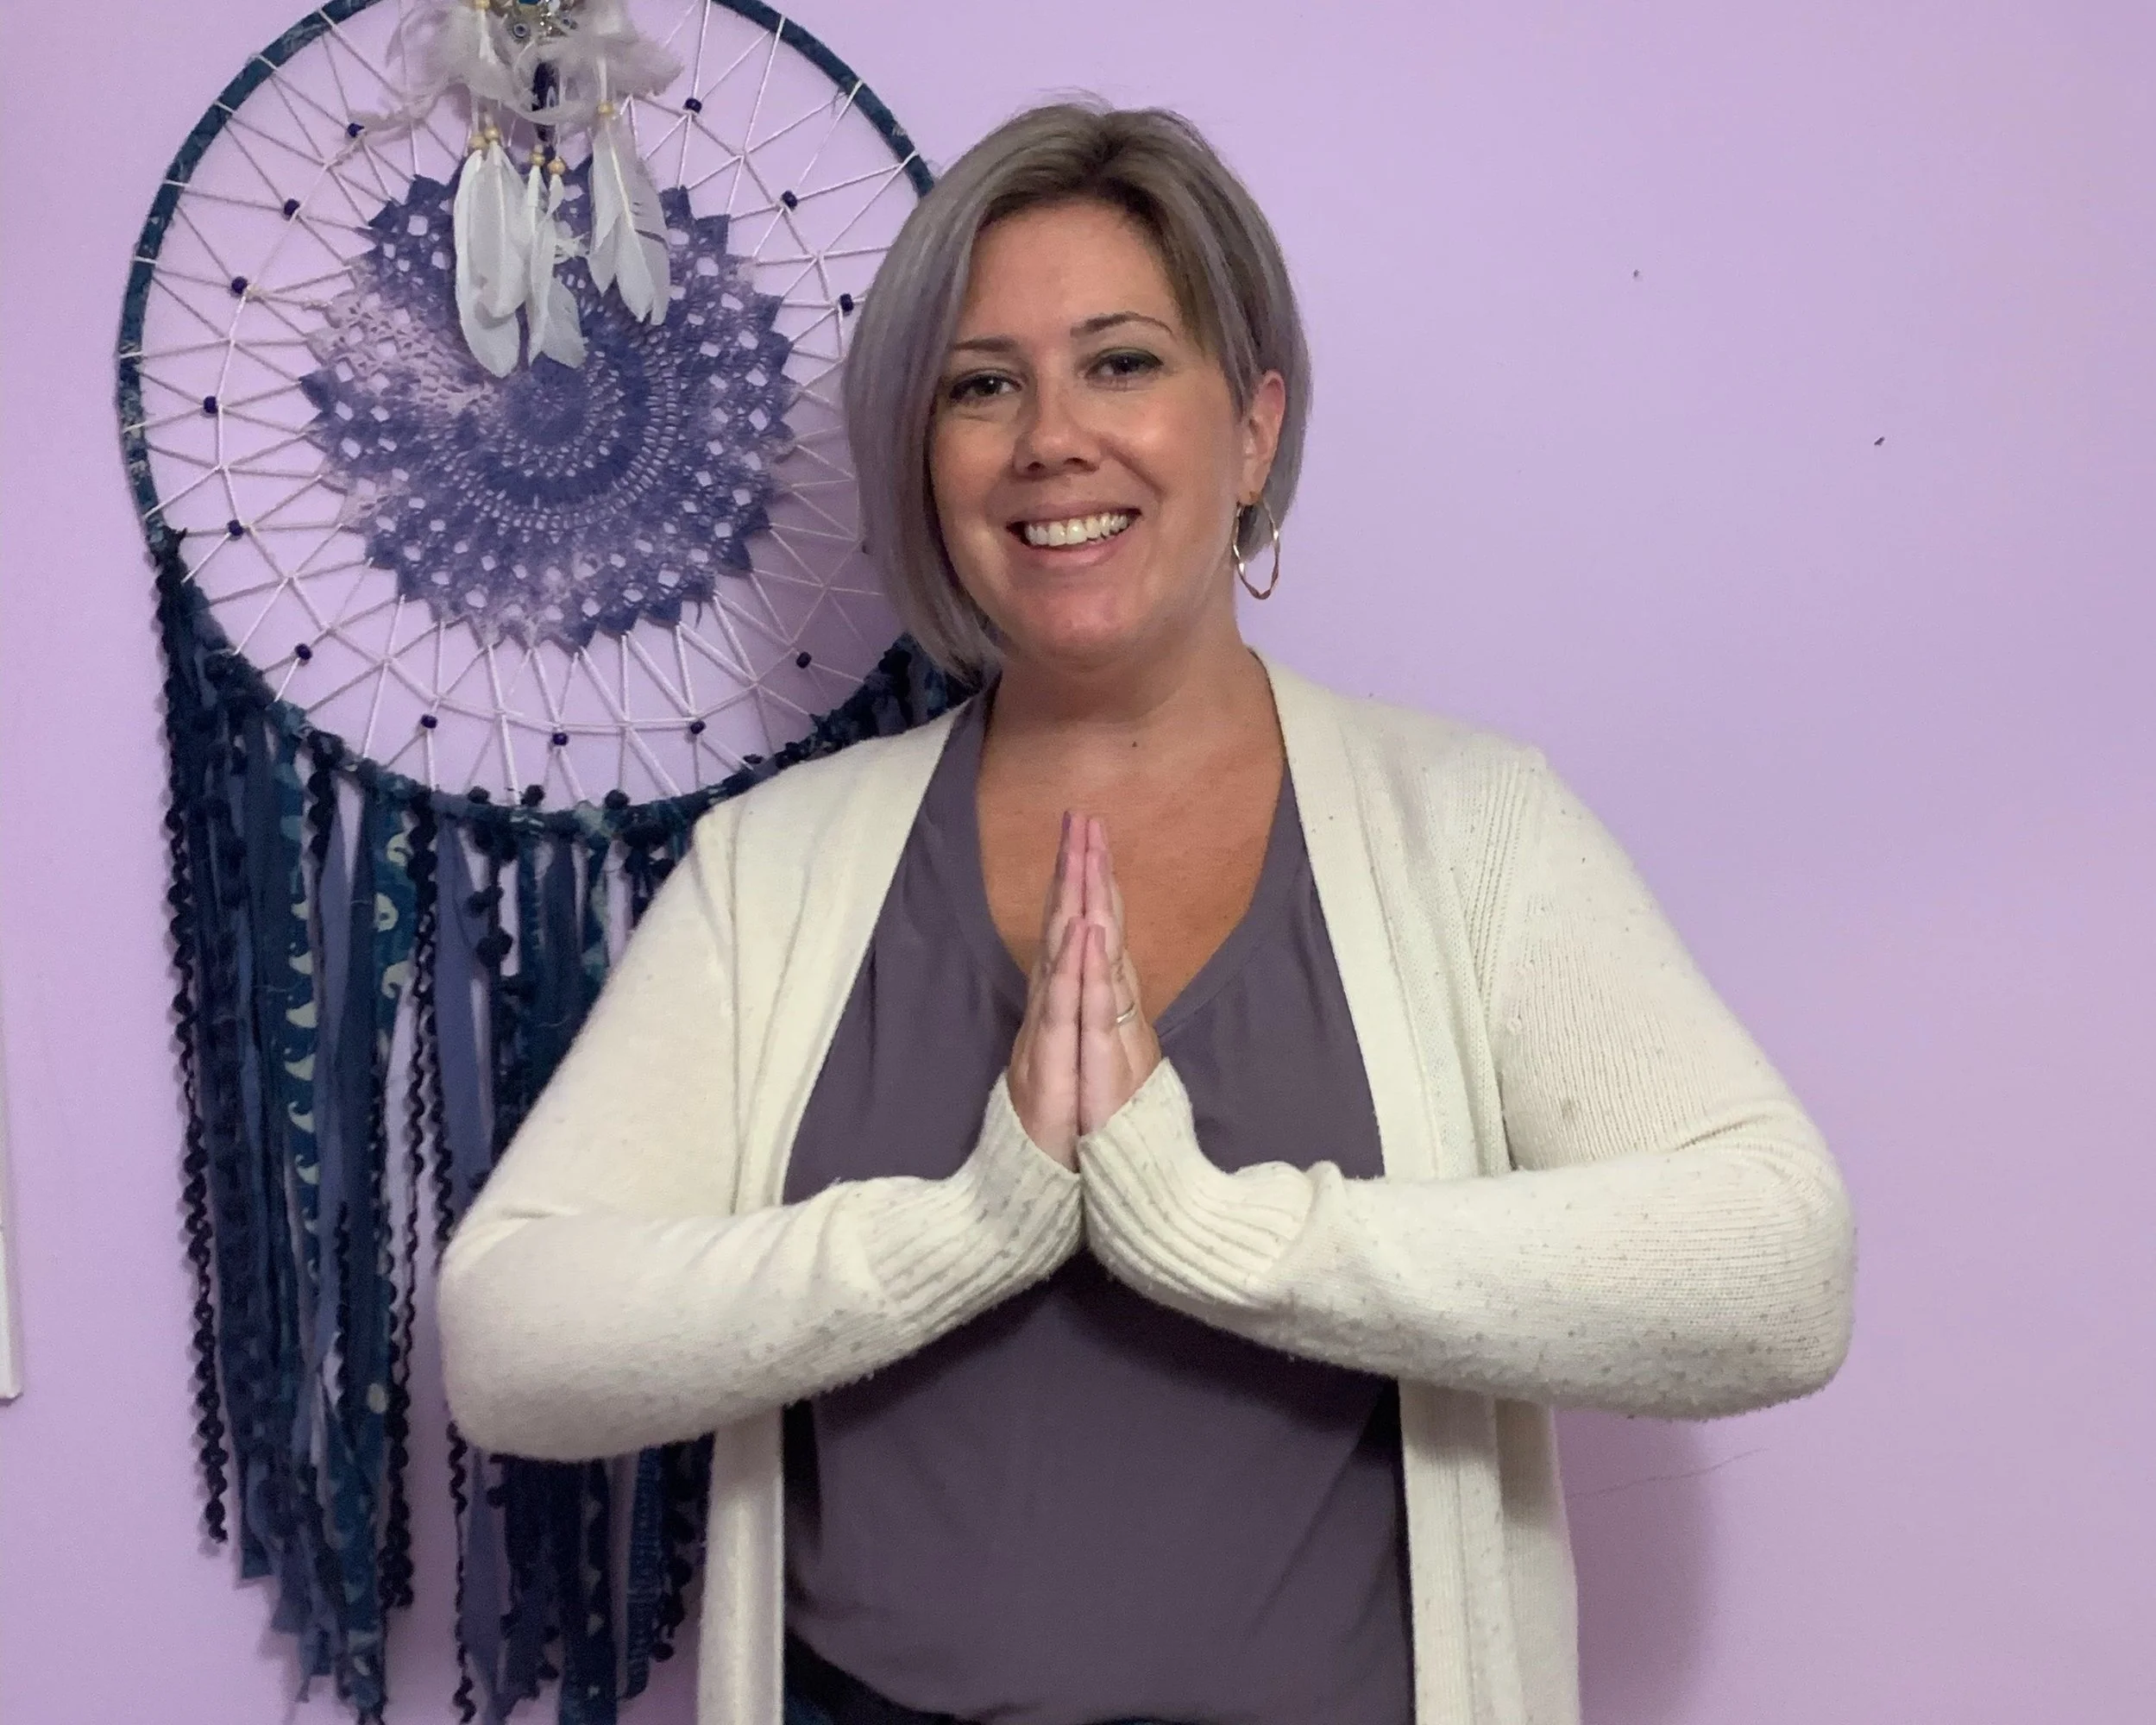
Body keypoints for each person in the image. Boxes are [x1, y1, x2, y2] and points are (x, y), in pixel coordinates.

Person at [437, 102, 1857, 1725]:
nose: (1051, 438)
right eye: (981, 386)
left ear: (1252, 431)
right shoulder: (775, 869)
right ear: (925, 461)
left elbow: (1777, 1274)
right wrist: (970, 1229)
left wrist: (1220, 1235)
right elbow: (513, 1342)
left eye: (1121, 363)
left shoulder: (1468, 825)